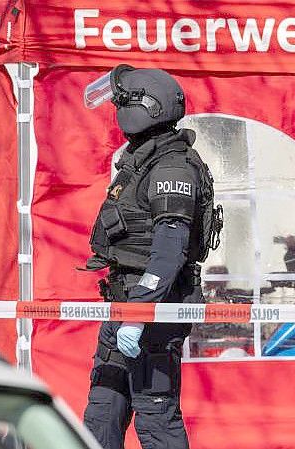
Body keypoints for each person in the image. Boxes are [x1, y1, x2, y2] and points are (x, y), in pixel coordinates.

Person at [80, 65, 222, 449]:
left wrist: (140, 316)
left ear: (144, 108)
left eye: (120, 103)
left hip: (152, 312)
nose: (115, 112)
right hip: (124, 307)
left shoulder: (171, 168)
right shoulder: (142, 160)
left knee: (155, 415)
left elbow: (167, 254)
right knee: (102, 411)